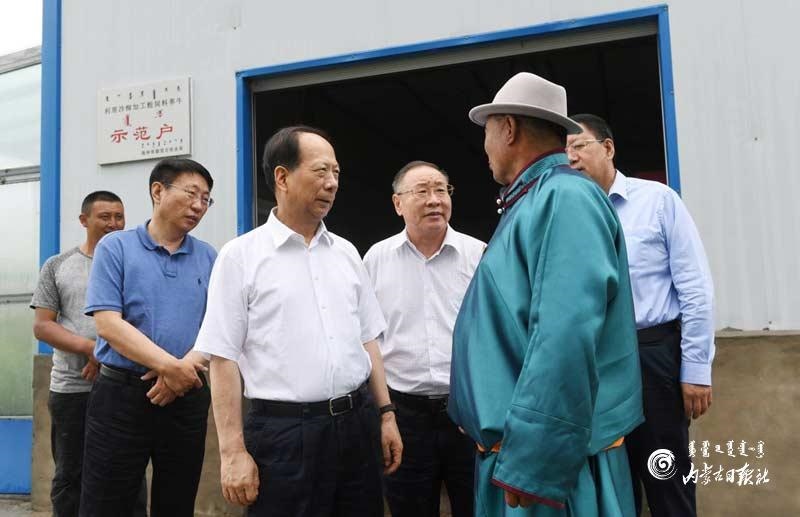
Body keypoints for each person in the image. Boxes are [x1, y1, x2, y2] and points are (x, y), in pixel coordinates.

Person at [447, 72, 644, 516]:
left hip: (550, 473)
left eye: (487, 133)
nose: (484, 148)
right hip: (519, 457)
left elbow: (565, 334)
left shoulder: (565, 199)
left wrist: (533, 462)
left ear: (508, 129)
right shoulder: (533, 199)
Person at [194, 125, 402, 516]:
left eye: (336, 173)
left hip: (357, 426)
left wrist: (386, 414)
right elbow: (222, 358)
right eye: (321, 171)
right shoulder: (241, 257)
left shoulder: (346, 253)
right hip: (285, 437)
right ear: (282, 177)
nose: (332, 183)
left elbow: (367, 340)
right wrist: (232, 451)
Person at [567, 113, 715, 517]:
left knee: (666, 474)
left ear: (608, 148)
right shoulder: (566, 214)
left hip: (651, 355)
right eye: (563, 152)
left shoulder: (658, 201)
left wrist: (696, 369)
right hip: (595, 361)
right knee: (612, 480)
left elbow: (695, 287)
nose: (571, 158)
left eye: (578, 146)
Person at [80, 158, 217, 516]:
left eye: (206, 199)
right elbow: (108, 324)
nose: (198, 205)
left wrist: (181, 374)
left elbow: (217, 327)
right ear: (158, 191)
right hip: (121, 397)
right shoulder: (116, 247)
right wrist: (171, 368)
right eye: (191, 194)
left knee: (177, 500)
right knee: (107, 502)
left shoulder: (209, 257)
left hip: (187, 396)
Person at [363, 160, 485, 517]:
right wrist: (384, 414)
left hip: (468, 412)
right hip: (404, 415)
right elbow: (366, 338)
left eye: (441, 190)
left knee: (478, 506)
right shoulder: (376, 259)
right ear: (398, 203)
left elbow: (497, 333)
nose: (435, 200)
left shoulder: (479, 254)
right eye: (422, 191)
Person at [31, 191, 147, 517]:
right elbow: (43, 326)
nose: (113, 223)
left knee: (129, 474)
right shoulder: (58, 265)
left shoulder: (135, 264)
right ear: (84, 220)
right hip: (73, 388)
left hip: (125, 386)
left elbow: (143, 319)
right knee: (71, 474)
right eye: (104, 217)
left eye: (119, 217)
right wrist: (90, 348)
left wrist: (109, 355)